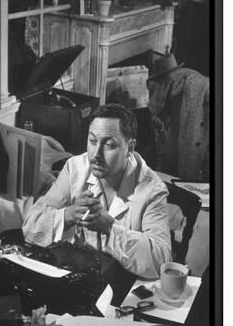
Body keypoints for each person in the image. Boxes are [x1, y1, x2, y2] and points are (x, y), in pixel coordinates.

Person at [22, 103, 171, 279]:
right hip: (79, 276)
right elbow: (30, 225)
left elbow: (161, 260)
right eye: (92, 141)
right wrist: (69, 215)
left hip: (122, 282)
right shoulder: (75, 168)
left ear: (129, 148)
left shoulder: (152, 189)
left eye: (109, 144)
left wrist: (109, 227)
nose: (96, 154)